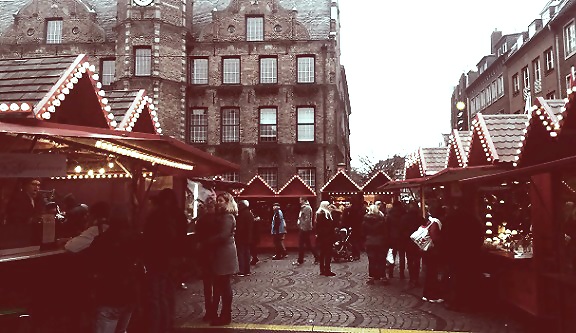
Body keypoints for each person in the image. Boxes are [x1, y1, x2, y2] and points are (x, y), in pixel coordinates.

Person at [142, 188, 188, 333]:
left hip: (157, 260)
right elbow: (182, 238)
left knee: (156, 295)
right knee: (168, 293)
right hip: (172, 260)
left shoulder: (156, 216)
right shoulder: (179, 215)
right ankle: (168, 322)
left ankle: (157, 326)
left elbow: (148, 240)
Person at [204, 192, 239, 326]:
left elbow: (223, 235)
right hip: (223, 253)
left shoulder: (228, 217)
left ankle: (226, 315)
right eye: (217, 200)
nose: (218, 202)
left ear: (228, 202)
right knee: (223, 284)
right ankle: (224, 314)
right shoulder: (224, 216)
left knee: (224, 285)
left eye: (221, 200)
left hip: (225, 253)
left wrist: (207, 241)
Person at [194, 197, 217, 322]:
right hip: (217, 255)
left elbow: (198, 238)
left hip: (206, 255)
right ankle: (215, 311)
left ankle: (209, 312)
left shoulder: (202, 221)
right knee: (218, 286)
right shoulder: (219, 220)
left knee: (208, 286)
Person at [421, 205, 443, 303]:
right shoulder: (436, 222)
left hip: (427, 250)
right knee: (433, 273)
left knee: (429, 273)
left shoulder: (429, 221)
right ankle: (432, 295)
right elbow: (435, 236)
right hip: (433, 251)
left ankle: (426, 294)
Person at [400, 201, 424, 289]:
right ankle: (416, 278)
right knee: (417, 261)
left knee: (410, 261)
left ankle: (412, 278)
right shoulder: (420, 218)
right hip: (417, 242)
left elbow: (401, 230)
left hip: (408, 242)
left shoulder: (404, 218)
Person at [362, 204, 388, 284]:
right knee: (381, 259)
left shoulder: (365, 221)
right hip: (380, 241)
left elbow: (362, 233)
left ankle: (372, 277)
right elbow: (385, 232)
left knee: (372, 260)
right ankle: (383, 276)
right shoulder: (381, 220)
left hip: (369, 241)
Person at [295, 197, 318, 265]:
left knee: (301, 244)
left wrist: (303, 228)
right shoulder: (304, 208)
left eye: (300, 199)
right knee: (308, 244)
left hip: (304, 229)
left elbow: (307, 219)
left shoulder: (307, 208)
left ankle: (300, 260)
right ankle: (316, 257)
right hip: (303, 228)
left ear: (303, 200)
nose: (299, 201)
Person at [315, 201, 336, 276]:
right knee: (328, 254)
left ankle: (322, 269)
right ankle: (327, 269)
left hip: (321, 237)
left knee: (322, 254)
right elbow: (330, 226)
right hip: (327, 237)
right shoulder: (326, 214)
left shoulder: (318, 213)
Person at [386, 200, 405, 279]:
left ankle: (390, 272)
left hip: (392, 237)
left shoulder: (389, 215)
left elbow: (386, 227)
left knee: (392, 255)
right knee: (402, 255)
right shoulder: (403, 214)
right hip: (402, 237)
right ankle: (402, 273)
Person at [235, 200, 254, 276]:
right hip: (248, 236)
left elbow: (240, 227)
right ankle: (247, 270)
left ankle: (242, 270)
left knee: (241, 253)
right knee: (247, 253)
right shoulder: (249, 214)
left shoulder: (242, 214)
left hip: (241, 237)